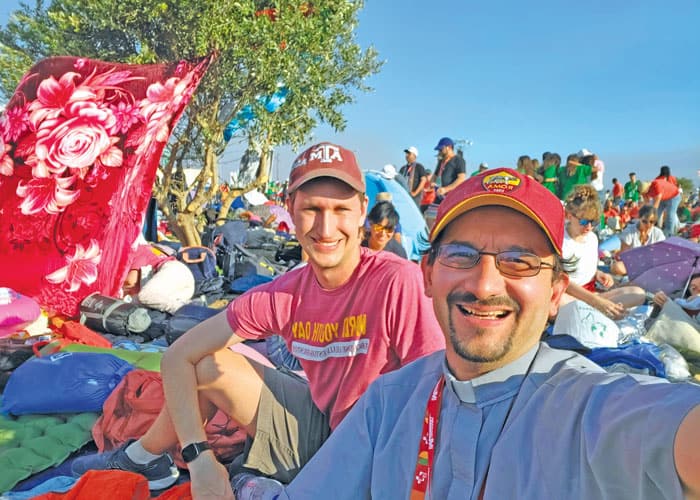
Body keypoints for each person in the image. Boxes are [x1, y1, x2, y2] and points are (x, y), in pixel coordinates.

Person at [280, 168, 700, 499]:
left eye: (519, 262)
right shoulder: (389, 403)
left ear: (556, 292)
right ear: (427, 275)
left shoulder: (589, 407)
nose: (484, 286)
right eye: (461, 255)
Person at [71, 142, 445, 496]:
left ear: (362, 211)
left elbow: (437, 395)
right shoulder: (285, 292)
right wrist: (199, 459)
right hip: (322, 427)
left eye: (340, 210)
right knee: (207, 363)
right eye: (312, 209)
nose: (326, 228)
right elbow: (177, 357)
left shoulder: (398, 281)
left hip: (380, 448)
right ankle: (143, 458)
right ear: (290, 209)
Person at [559, 185, 645, 319]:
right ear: (569, 216)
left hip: (591, 294)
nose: (589, 227)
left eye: (594, 222)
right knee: (559, 301)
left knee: (638, 293)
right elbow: (561, 280)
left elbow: (585, 268)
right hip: (569, 294)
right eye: (583, 221)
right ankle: (598, 312)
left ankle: (591, 313)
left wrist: (599, 274)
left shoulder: (592, 238)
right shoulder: (560, 239)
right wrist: (597, 302)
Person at [123, 238, 195, 314]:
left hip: (174, 270)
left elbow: (131, 281)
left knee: (145, 296)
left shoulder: (139, 249)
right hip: (182, 280)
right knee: (137, 301)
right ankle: (189, 311)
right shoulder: (148, 248)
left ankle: (187, 312)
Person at [610, 205, 666, 276]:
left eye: (651, 222)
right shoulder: (629, 231)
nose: (648, 225)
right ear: (639, 218)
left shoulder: (658, 234)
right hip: (632, 265)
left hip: (650, 265)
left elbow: (660, 255)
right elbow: (624, 255)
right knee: (616, 267)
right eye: (644, 221)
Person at [648, 165, 682, 236]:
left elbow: (673, 188)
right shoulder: (657, 180)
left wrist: (652, 211)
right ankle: (656, 229)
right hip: (663, 197)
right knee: (657, 213)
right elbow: (653, 200)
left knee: (670, 215)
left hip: (673, 196)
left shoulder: (671, 178)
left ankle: (670, 233)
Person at [433, 137, 466, 202]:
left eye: (441, 149)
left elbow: (461, 179)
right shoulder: (441, 161)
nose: (439, 151)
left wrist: (446, 189)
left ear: (448, 147)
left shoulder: (458, 160)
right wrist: (431, 184)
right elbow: (435, 176)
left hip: (451, 198)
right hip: (439, 196)